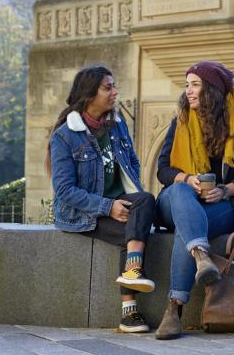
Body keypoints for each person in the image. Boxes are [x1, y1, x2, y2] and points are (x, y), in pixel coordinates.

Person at [153, 61, 234, 340]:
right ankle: (201, 255)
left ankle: (174, 309)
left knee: (187, 228)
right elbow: (163, 170)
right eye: (187, 84)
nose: (188, 91)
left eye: (195, 84)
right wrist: (187, 179)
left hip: (224, 205)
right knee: (181, 195)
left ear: (212, 90)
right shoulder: (180, 122)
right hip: (177, 199)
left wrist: (226, 190)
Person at [47, 65, 157, 333]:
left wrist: (121, 198)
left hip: (118, 203)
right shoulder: (64, 136)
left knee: (145, 199)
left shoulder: (117, 125)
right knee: (131, 233)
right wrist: (108, 207)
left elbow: (131, 159)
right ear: (89, 94)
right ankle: (129, 313)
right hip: (81, 213)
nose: (114, 92)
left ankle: (133, 269)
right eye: (108, 87)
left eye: (114, 86)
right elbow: (64, 190)